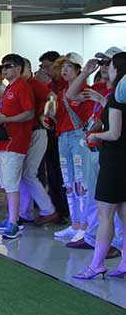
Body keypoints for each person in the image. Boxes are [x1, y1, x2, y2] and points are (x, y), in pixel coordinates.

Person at [73, 52, 126, 280]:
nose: (107, 70)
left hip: (114, 161)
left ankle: (96, 264)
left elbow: (114, 133)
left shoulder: (116, 98)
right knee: (123, 213)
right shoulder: (117, 99)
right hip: (122, 160)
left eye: (110, 66)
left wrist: (96, 136)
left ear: (118, 70)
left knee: (106, 214)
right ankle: (124, 263)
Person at [47, 53, 93, 243]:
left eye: (69, 67)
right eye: (63, 67)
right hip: (63, 137)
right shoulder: (62, 92)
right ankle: (75, 224)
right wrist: (52, 116)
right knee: (68, 182)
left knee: (81, 182)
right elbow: (61, 119)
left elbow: (87, 119)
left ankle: (84, 226)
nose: (64, 70)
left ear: (79, 70)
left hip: (78, 137)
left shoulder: (86, 91)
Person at [0, 54, 35, 239]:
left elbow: (29, 113)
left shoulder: (22, 87)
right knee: (7, 182)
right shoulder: (10, 87)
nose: (4, 70)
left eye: (8, 66)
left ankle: (14, 222)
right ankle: (12, 217)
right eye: (3, 66)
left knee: (11, 183)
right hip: (5, 141)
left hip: (15, 142)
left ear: (18, 68)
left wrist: (7, 119)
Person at [18, 58, 59, 225]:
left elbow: (52, 97)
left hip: (37, 132)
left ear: (26, 68)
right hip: (27, 133)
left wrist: (45, 114)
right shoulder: (20, 85)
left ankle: (47, 209)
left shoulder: (34, 84)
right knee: (25, 173)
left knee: (28, 173)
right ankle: (25, 212)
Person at [37, 50, 70, 221]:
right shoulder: (50, 86)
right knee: (53, 172)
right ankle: (58, 207)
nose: (45, 70)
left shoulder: (66, 86)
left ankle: (65, 209)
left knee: (63, 173)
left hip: (65, 134)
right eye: (42, 67)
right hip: (51, 132)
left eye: (47, 66)